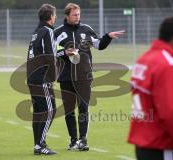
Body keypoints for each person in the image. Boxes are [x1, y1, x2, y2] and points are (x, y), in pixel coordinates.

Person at [128, 16, 173, 160]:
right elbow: (171, 115)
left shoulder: (144, 59)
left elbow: (157, 97)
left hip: (143, 146)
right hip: (161, 147)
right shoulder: (167, 65)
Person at [54, 3, 125, 151]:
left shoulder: (86, 29)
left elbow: (99, 44)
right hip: (66, 76)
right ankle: (73, 141)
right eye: (74, 15)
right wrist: (64, 53)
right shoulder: (58, 32)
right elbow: (52, 53)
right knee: (69, 111)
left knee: (84, 108)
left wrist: (108, 37)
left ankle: (83, 140)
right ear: (67, 16)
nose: (77, 17)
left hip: (84, 76)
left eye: (79, 14)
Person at [27, 4, 57, 155]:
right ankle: (40, 144)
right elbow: (50, 56)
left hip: (32, 76)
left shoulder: (36, 32)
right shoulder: (48, 31)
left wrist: (64, 51)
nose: (56, 17)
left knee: (39, 112)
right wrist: (53, 76)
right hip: (41, 77)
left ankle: (37, 144)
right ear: (50, 16)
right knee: (50, 110)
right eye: (55, 14)